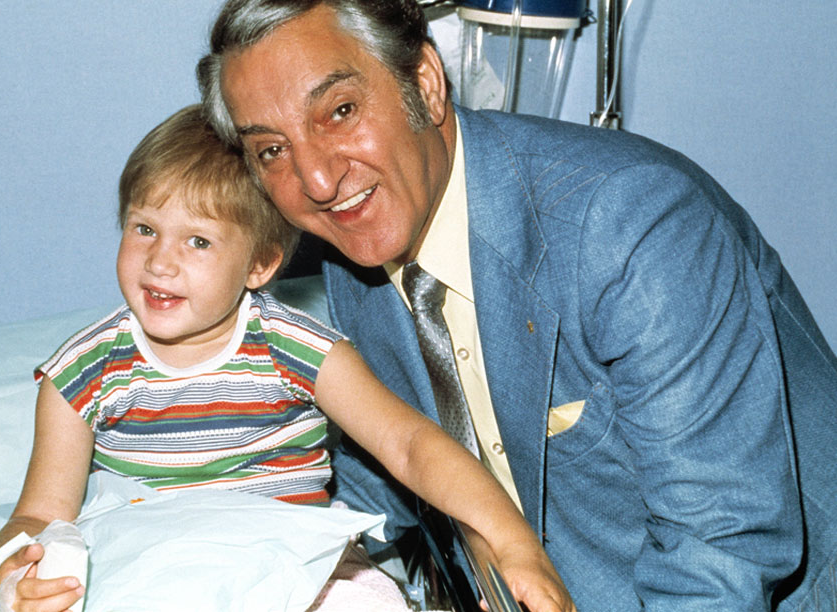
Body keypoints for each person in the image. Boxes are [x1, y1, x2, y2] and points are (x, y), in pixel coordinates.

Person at [197, 1, 837, 610]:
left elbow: (721, 554)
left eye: (339, 111)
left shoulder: (630, 224)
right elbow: (378, 474)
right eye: (272, 150)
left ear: (425, 83)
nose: (315, 179)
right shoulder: (350, 255)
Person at [0, 104, 573, 612]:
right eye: (144, 228)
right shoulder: (82, 373)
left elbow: (410, 445)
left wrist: (513, 543)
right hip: (157, 567)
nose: (160, 262)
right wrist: (16, 575)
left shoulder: (293, 347)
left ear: (261, 265)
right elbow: (38, 514)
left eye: (198, 241)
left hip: (294, 567)